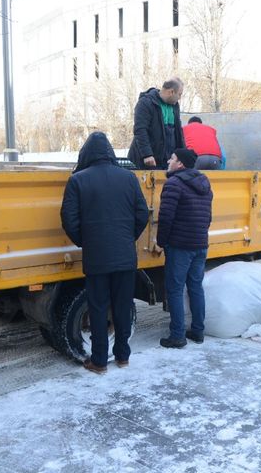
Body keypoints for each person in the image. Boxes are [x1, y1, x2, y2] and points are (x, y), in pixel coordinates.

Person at [60, 131, 149, 374]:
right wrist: (127, 237)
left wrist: (84, 241)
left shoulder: (78, 180)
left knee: (98, 307)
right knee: (122, 306)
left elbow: (68, 218)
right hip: (125, 256)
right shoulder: (128, 178)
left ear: (86, 153)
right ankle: (122, 356)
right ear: (110, 152)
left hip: (97, 257)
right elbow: (143, 214)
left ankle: (99, 361)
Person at [156, 148, 213, 348]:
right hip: (200, 244)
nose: (168, 161)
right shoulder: (205, 184)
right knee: (196, 287)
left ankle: (177, 335)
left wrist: (161, 241)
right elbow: (208, 217)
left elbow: (165, 217)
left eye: (172, 158)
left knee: (175, 289)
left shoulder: (173, 184)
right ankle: (198, 331)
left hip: (180, 246)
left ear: (180, 164)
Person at [127, 77, 185, 170]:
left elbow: (178, 132)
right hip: (149, 161)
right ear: (171, 92)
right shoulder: (146, 103)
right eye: (179, 94)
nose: (180, 98)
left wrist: (183, 155)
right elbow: (140, 130)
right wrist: (147, 154)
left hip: (167, 161)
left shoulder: (174, 106)